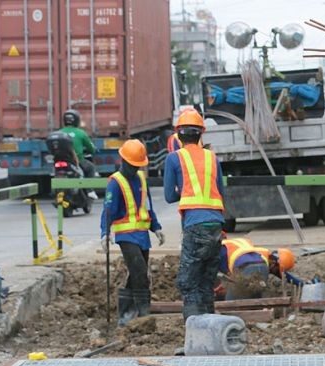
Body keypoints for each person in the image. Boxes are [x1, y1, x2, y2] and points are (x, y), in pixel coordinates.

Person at [163, 108, 226, 319]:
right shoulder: (212, 158)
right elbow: (221, 192)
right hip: (216, 224)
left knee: (188, 282)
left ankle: (194, 330)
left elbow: (169, 196)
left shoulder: (174, 158)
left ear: (179, 134)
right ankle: (210, 327)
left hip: (195, 226)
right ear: (201, 133)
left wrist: (184, 189)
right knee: (207, 281)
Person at [101, 139, 165, 325]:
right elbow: (108, 210)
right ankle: (143, 314)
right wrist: (105, 233)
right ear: (124, 161)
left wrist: (157, 227)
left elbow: (148, 207)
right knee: (139, 272)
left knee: (137, 273)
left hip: (142, 236)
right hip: (126, 236)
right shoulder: (116, 182)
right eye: (132, 165)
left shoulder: (141, 181)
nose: (135, 169)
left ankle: (126, 313)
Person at [217, 236, 295, 300]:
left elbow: (214, 270)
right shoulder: (259, 254)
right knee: (255, 299)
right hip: (261, 267)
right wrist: (301, 283)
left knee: (230, 304)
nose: (275, 272)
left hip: (244, 267)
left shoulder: (220, 248)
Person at [60, 109, 98, 199]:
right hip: (77, 161)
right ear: (77, 120)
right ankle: (90, 190)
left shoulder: (59, 132)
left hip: (62, 161)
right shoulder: (81, 133)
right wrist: (93, 150)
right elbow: (91, 148)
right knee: (91, 168)